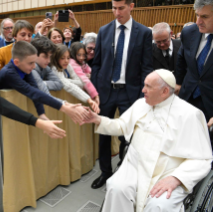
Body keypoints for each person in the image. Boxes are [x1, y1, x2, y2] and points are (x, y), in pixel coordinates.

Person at [83, 69, 212, 212]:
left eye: (148, 86)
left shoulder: (190, 114)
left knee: (159, 205)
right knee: (117, 189)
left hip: (169, 172)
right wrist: (98, 120)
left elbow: (202, 159)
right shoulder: (141, 104)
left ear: (164, 91)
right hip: (135, 166)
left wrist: (177, 178)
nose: (143, 90)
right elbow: (121, 125)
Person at [90, 0, 153, 189]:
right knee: (103, 133)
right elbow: (97, 64)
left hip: (130, 92)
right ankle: (105, 173)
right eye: (114, 8)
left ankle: (125, 171)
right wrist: (95, 92)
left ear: (131, 6)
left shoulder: (143, 33)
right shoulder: (104, 31)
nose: (117, 13)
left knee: (129, 135)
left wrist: (144, 97)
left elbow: (146, 67)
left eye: (121, 8)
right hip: (106, 91)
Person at [0, 41, 89, 122]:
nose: (34, 66)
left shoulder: (26, 68)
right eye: (31, 63)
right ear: (16, 62)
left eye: (34, 62)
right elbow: (32, 92)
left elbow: (35, 89)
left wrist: (41, 113)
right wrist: (64, 108)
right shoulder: (8, 73)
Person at [175, 0, 213, 143]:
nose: (198, 22)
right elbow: (181, 58)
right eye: (197, 15)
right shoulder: (189, 32)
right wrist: (178, 83)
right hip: (187, 97)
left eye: (204, 16)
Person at [51, 44, 100, 113]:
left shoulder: (68, 65)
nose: (66, 61)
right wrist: (88, 99)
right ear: (56, 57)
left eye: (68, 58)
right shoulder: (54, 68)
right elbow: (68, 86)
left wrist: (65, 80)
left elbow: (80, 83)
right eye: (62, 58)